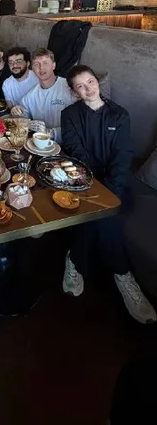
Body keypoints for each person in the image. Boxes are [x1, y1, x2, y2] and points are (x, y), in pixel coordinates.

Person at [61, 65, 156, 324]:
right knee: (103, 214)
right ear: (74, 92)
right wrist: (94, 188)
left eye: (90, 82)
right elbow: (75, 150)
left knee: (102, 213)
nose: (88, 89)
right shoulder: (69, 114)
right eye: (80, 86)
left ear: (97, 81)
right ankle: (123, 273)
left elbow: (122, 156)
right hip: (84, 181)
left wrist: (109, 192)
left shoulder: (119, 115)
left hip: (118, 183)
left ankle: (75, 258)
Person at [11, 48, 75, 143]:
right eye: (36, 64)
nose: (41, 68)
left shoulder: (70, 88)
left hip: (69, 145)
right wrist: (16, 112)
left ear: (53, 65)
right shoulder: (30, 96)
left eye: (45, 63)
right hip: (40, 144)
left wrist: (52, 133)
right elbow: (23, 119)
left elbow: (80, 123)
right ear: (32, 68)